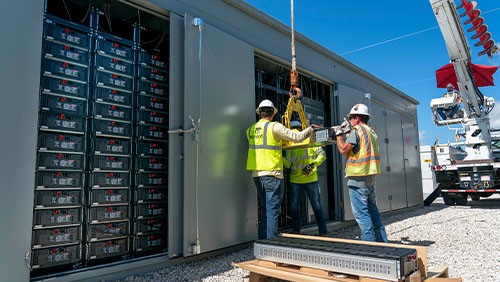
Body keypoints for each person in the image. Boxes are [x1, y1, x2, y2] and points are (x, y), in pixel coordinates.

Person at [246, 91, 315, 239]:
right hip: (273, 174)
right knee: (272, 210)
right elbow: (297, 137)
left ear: (259, 113)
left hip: (258, 175)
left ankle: (263, 241)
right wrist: (311, 129)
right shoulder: (275, 127)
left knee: (265, 209)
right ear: (272, 114)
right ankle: (272, 243)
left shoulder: (250, 130)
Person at [334, 103, 388, 242]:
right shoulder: (370, 132)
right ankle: (383, 243)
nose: (350, 121)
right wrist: (347, 131)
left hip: (357, 179)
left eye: (351, 118)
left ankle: (369, 247)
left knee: (362, 215)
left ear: (357, 119)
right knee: (373, 212)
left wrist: (338, 134)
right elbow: (356, 145)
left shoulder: (357, 130)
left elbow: (343, 149)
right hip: (369, 178)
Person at [283, 121, 328, 236]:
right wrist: (313, 165)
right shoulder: (309, 138)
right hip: (311, 179)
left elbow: (288, 164)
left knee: (294, 206)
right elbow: (322, 155)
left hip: (295, 180)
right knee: (317, 205)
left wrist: (279, 155)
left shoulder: (289, 142)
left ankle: (296, 230)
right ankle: (323, 231)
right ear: (301, 128)